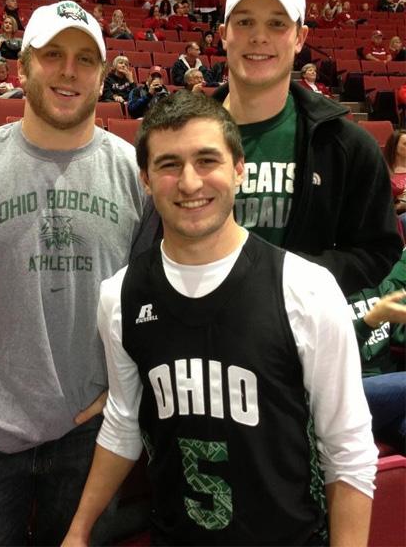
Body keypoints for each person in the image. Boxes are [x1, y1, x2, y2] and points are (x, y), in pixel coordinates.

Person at [63, 91, 377, 547]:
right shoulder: (119, 296)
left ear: (238, 168)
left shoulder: (306, 289)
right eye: (169, 165)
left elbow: (348, 451)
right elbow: (125, 420)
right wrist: (79, 529)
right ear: (146, 179)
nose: (189, 183)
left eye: (206, 160)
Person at [0, 0, 156, 547]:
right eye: (52, 54)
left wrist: (118, 397)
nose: (68, 71)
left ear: (104, 75)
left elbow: (149, 298)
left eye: (84, 59)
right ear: (23, 65)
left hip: (92, 432)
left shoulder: (135, 175)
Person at [214, 0, 401, 295]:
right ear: (223, 35)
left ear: (301, 38)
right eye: (244, 22)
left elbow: (377, 253)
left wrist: (285, 281)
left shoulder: (347, 146)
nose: (259, 36)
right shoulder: (178, 139)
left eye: (277, 23)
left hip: (300, 338)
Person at [348, 250, 406, 445]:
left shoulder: (382, 285)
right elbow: (329, 358)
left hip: (391, 394)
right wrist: (370, 320)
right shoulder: (323, 293)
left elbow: (400, 333)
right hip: (352, 390)